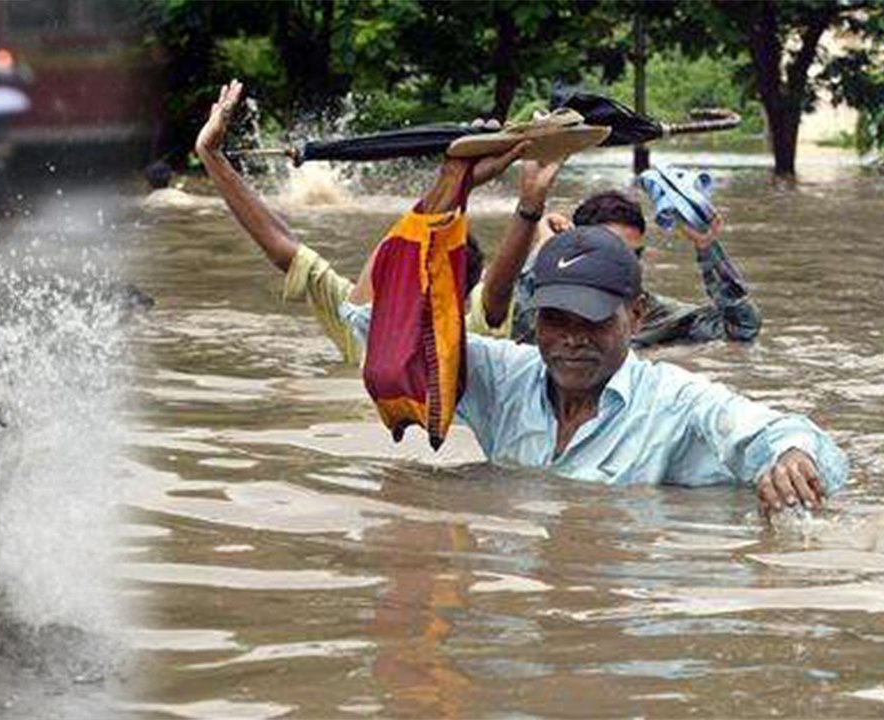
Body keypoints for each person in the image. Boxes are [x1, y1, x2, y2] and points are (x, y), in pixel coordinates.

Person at [196, 80, 847, 517]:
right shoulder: (504, 374)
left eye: (592, 320)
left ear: (635, 314)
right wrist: (453, 185)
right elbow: (386, 337)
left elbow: (784, 429)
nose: (570, 338)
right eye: (556, 319)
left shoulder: (675, 400)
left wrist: (790, 457)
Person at [194, 80, 557, 367]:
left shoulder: (470, 334)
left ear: (456, 300)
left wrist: (530, 204)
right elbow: (280, 245)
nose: (391, 288)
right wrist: (210, 155)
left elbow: (498, 288)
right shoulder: (365, 324)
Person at [481, 189, 763, 347]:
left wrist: (706, 248)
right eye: (612, 253)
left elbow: (742, 327)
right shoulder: (547, 305)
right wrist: (545, 247)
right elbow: (526, 339)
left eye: (634, 255)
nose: (626, 266)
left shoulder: (649, 312)